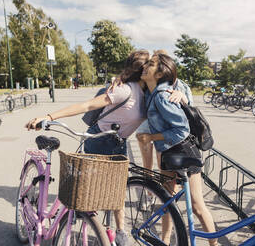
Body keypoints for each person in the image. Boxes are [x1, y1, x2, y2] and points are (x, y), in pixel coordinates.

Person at [25, 49, 186, 246]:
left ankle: (119, 232)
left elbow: (170, 76)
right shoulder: (124, 90)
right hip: (98, 139)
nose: (146, 67)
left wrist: (181, 94)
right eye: (145, 64)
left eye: (149, 65)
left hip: (119, 142)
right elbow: (87, 106)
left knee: (116, 191)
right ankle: (83, 224)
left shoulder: (149, 92)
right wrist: (49, 117)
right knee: (87, 194)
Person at [136, 53, 217, 246]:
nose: (146, 66)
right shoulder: (151, 92)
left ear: (160, 73)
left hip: (182, 151)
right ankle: (165, 239)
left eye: (152, 64)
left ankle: (214, 244)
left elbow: (181, 129)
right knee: (167, 200)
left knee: (196, 205)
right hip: (170, 151)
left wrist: (151, 137)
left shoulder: (163, 96)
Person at [136, 49, 193, 173]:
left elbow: (184, 124)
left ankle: (153, 187)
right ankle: (151, 187)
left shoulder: (167, 92)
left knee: (169, 179)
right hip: (163, 138)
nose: (145, 66)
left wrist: (182, 96)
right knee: (156, 173)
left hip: (176, 143)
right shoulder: (150, 87)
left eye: (151, 63)